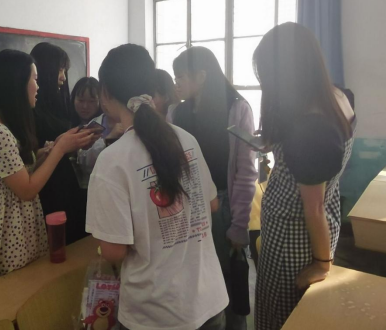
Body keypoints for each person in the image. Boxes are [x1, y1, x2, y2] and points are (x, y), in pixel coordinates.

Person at [86, 44, 228, 330]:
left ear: (106, 94)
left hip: (155, 313)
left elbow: (114, 251)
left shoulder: (112, 161)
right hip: (209, 303)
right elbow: (212, 204)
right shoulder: (186, 139)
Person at [253, 23, 355, 330]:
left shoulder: (311, 128)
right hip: (320, 224)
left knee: (284, 317)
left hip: (293, 236)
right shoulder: (338, 96)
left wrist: (321, 265)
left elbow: (313, 207)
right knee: (306, 314)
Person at [0, 49, 94, 288]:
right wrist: (60, 150)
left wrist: (48, 151)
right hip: (8, 227)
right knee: (13, 291)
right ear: (17, 83)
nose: (38, 86)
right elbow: (26, 190)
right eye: (34, 79)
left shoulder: (2, 127)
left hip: (16, 221)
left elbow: (16, 176)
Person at [171, 47, 257, 330]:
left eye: (181, 77)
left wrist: (239, 225)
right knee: (196, 279)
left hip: (223, 207)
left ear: (202, 76)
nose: (177, 83)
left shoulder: (237, 109)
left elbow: (245, 172)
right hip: (187, 206)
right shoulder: (177, 112)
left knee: (227, 279)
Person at [30, 42, 96, 244]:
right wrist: (60, 146)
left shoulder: (57, 105)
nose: (63, 77)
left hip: (65, 183)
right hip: (46, 187)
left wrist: (73, 145)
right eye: (60, 70)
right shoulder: (31, 110)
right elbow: (30, 159)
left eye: (64, 71)